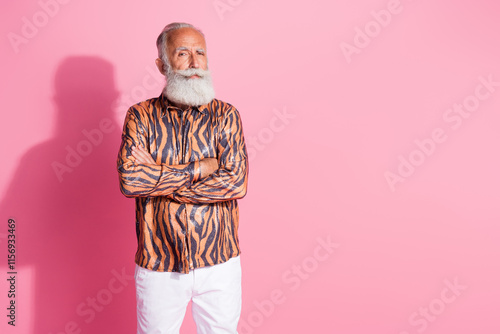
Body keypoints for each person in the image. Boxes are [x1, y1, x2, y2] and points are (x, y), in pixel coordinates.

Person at [116, 22, 249, 334]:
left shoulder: (226, 115)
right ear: (162, 65)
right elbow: (130, 181)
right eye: (182, 53)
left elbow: (236, 181)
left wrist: (162, 182)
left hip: (220, 262)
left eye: (200, 53)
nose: (194, 63)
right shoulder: (141, 117)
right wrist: (198, 169)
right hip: (159, 264)